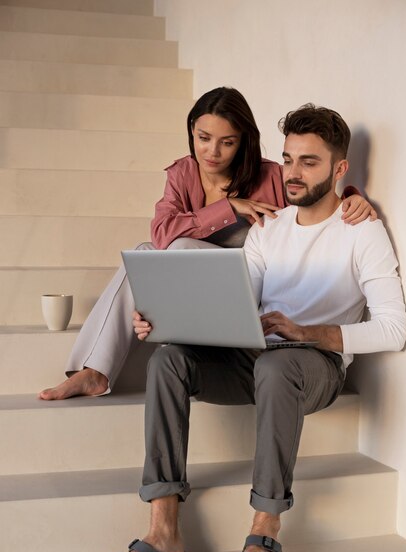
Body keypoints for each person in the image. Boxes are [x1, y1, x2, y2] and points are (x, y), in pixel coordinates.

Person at [96, 103, 406, 552]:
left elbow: (394, 329)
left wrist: (309, 333)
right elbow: (238, 305)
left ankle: (266, 524)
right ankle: (163, 531)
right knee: (168, 361)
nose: (293, 174)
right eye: (287, 160)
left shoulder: (361, 230)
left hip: (314, 365)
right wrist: (166, 321)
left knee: (276, 370)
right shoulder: (270, 226)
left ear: (339, 169)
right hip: (256, 357)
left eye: (309, 162)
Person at [39, 88, 375, 401]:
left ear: (243, 141)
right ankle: (95, 371)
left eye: (227, 142)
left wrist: (351, 196)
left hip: (248, 287)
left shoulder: (270, 175)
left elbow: (312, 203)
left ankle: (170, 351)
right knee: (146, 253)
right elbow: (162, 233)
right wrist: (228, 208)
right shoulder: (182, 174)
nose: (212, 152)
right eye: (203, 138)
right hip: (199, 285)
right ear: (191, 132)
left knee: (178, 249)